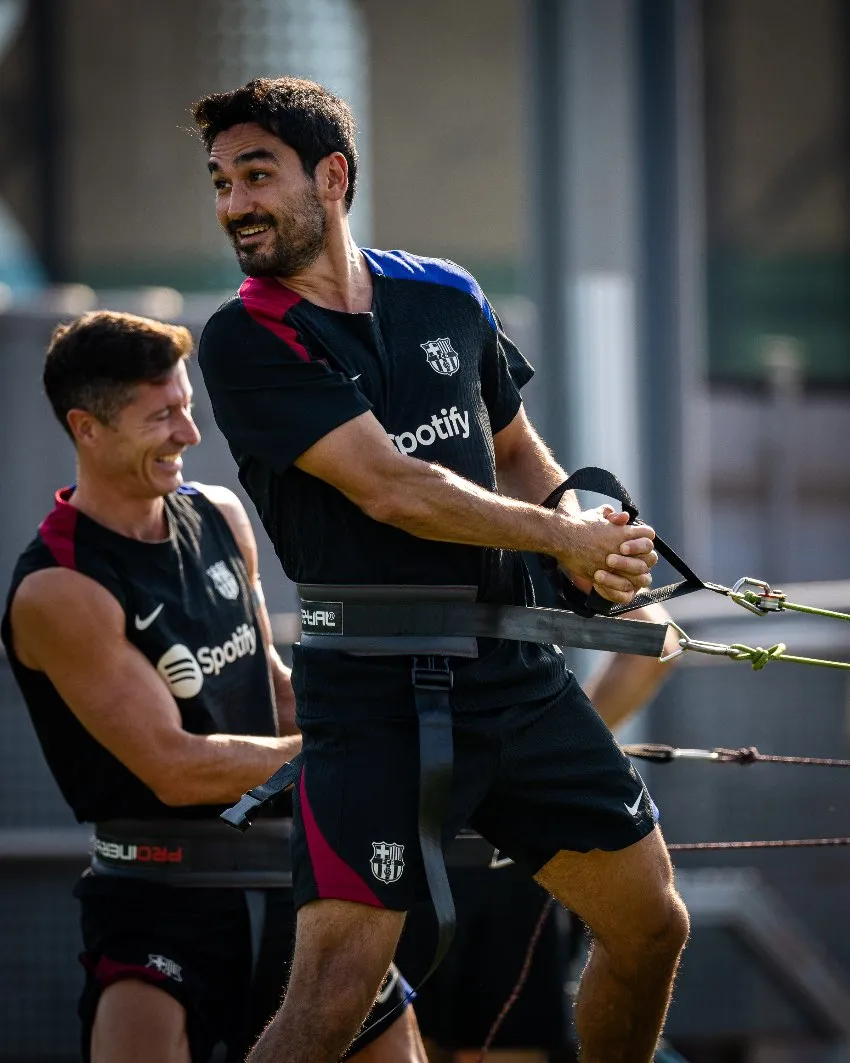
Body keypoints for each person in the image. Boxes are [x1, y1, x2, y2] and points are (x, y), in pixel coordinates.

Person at [191, 76, 690, 1063]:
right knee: (331, 999)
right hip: (372, 700)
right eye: (218, 181)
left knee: (652, 926)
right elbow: (391, 487)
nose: (233, 203)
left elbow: (521, 457)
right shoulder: (245, 336)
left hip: (516, 680)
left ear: (330, 177)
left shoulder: (447, 292)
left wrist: (591, 535)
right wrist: (564, 543)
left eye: (256, 173)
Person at [0, 310, 425, 1063]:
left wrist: (399, 718)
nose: (190, 435)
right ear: (86, 429)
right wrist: (350, 751)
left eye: (187, 406)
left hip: (296, 873)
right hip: (160, 901)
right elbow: (174, 765)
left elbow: (274, 687)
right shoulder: (60, 589)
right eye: (161, 416)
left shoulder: (220, 516)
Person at [398, 601, 682, 1063]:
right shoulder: (540, 530)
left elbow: (655, 641)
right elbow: (656, 640)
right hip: (507, 837)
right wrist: (547, 754)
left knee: (410, 1042)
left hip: (407, 829)